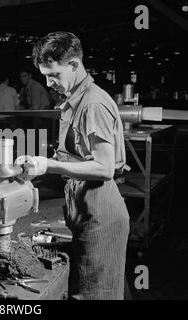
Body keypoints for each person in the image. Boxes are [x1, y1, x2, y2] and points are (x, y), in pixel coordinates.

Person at [30, 31, 129, 299]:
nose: (49, 83)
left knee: (96, 293)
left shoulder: (93, 103)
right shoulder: (75, 102)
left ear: (74, 65)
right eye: (45, 76)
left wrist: (48, 165)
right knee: (89, 287)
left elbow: (104, 168)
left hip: (100, 211)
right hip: (84, 207)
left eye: (54, 75)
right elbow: (73, 157)